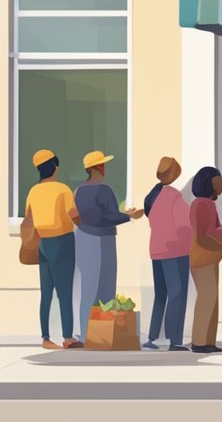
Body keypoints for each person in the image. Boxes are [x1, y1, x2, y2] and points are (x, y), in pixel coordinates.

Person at [73, 149, 142, 340]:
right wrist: (130, 216)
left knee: (88, 288)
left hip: (82, 239)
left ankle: (86, 333)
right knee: (105, 288)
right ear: (99, 167)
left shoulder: (78, 190)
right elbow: (108, 217)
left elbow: (84, 216)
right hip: (103, 240)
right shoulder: (104, 189)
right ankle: (101, 335)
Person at [22, 150, 82, 350]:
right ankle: (67, 337)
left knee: (46, 292)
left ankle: (46, 338)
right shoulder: (62, 189)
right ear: (55, 166)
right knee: (64, 292)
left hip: (42, 243)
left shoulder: (33, 191)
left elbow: (28, 216)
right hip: (62, 241)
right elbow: (73, 215)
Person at [144, 157, 191, 351]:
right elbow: (184, 224)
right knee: (177, 294)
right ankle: (174, 339)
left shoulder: (151, 196)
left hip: (156, 250)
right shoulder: (173, 195)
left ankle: (153, 337)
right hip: (175, 250)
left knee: (160, 294)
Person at [189, 166, 222, 353]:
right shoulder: (201, 204)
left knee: (212, 299)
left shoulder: (206, 204)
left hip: (210, 256)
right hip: (203, 256)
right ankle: (200, 341)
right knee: (207, 298)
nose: (220, 183)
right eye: (217, 179)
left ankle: (208, 341)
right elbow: (203, 234)